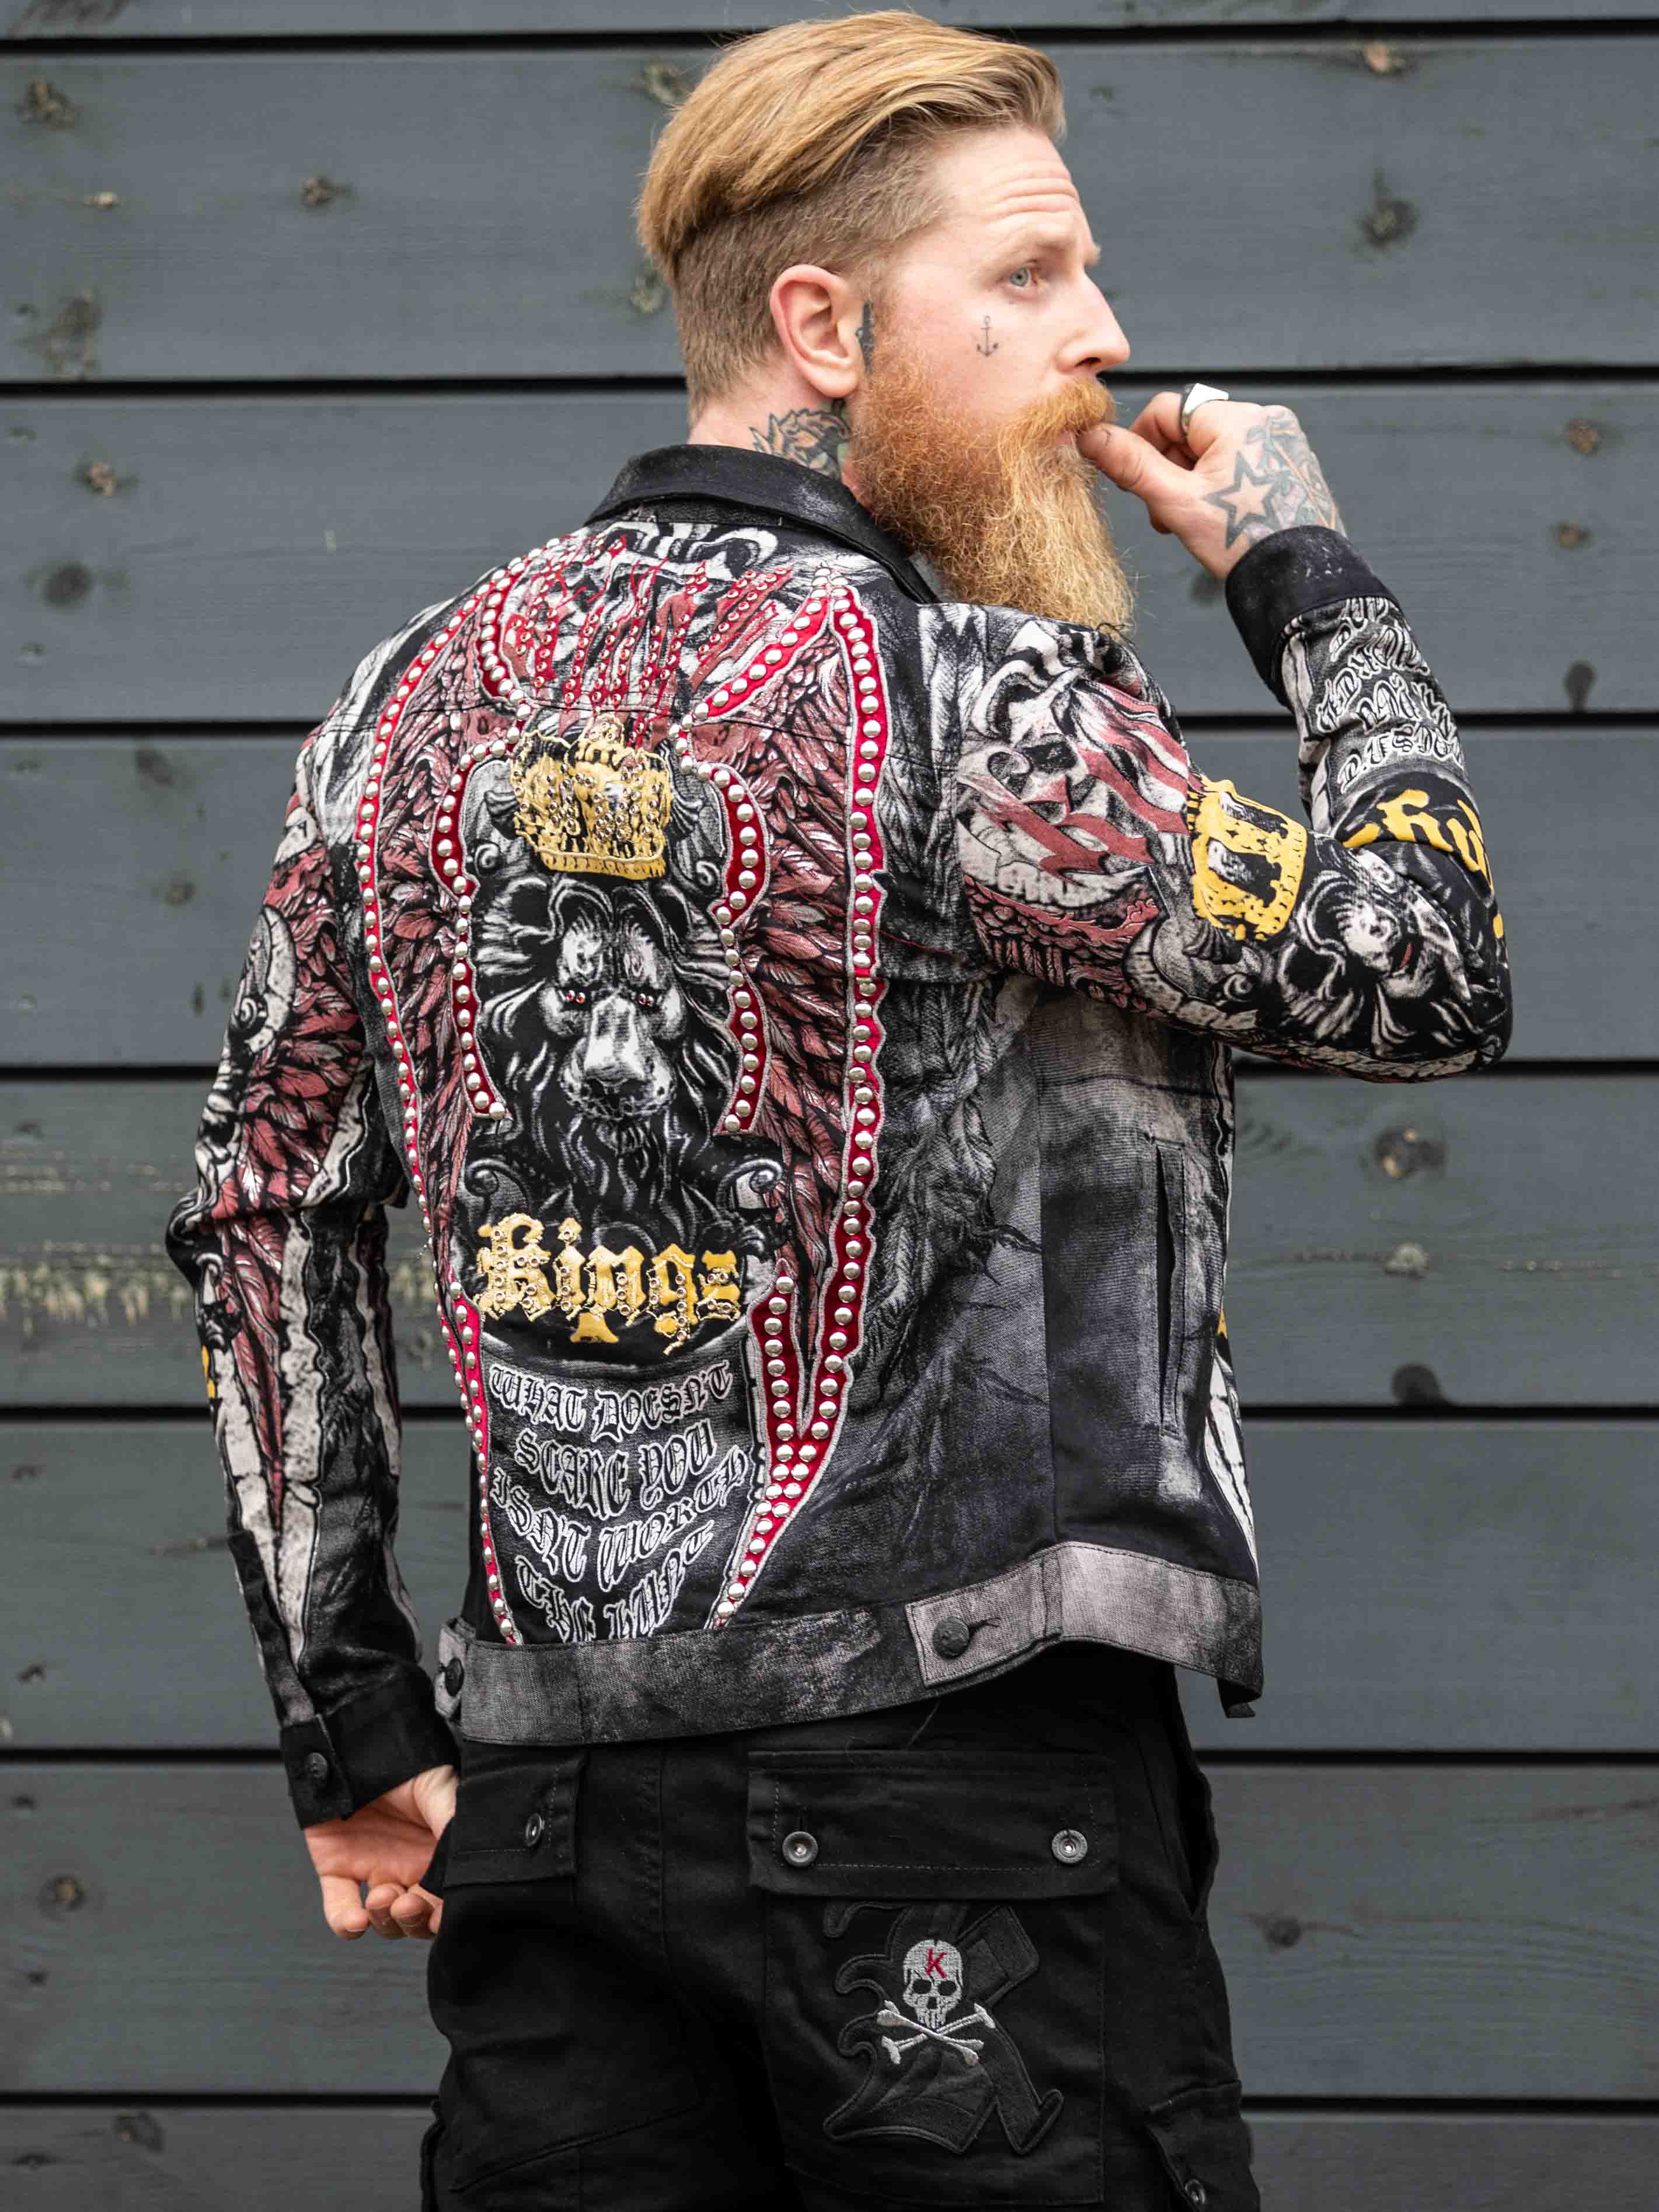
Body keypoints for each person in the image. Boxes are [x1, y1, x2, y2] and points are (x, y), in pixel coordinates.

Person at [164, 13, 1512, 2207]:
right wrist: (1302, 571)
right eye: (1029, 275)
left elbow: (261, 1208)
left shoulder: (394, 710)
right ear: (820, 325)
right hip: (962, 1818)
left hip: (556, 1820)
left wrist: (350, 1721)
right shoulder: (977, 701)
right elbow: (1424, 971)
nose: (1100, 334)